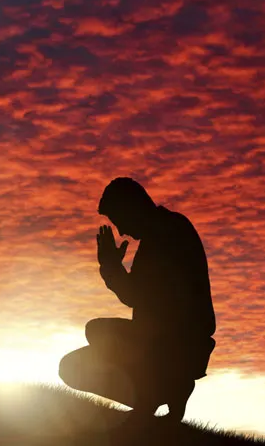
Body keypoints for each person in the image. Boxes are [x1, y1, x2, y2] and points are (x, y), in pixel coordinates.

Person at [58, 177, 217, 424]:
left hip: (175, 345)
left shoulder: (166, 234)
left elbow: (137, 296)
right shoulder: (167, 230)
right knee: (77, 359)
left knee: (91, 340)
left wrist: (110, 267)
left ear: (132, 208)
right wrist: (113, 268)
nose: (122, 232)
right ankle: (158, 394)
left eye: (120, 221)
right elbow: (142, 295)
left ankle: (157, 394)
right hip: (173, 344)